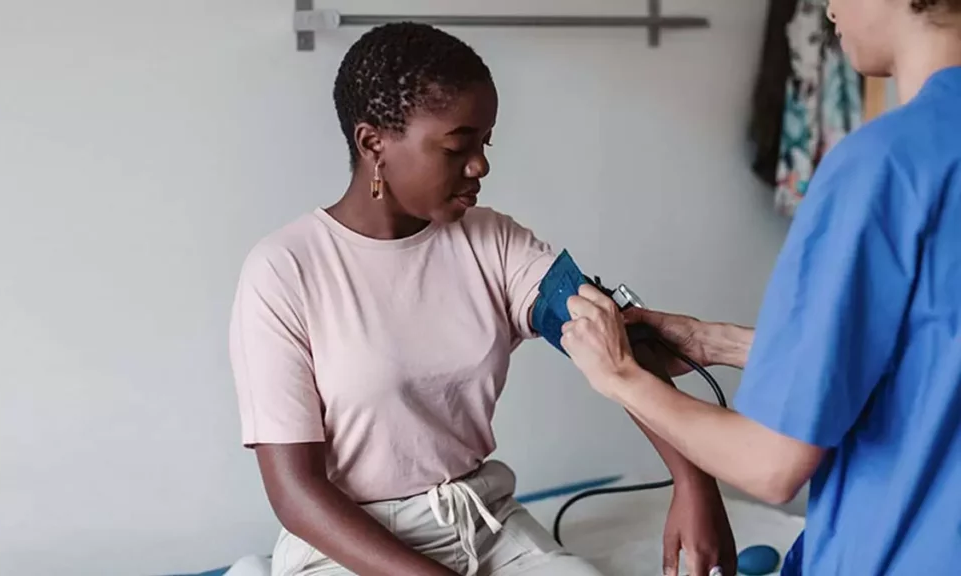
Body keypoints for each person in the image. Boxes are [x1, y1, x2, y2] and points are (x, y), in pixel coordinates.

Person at [228, 21, 737, 576]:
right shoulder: (284, 270)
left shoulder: (492, 240)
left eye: (484, 142)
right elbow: (296, 494)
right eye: (457, 146)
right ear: (373, 143)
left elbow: (614, 344)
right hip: (348, 546)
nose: (480, 166)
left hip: (482, 523)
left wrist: (694, 483)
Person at [559, 1, 961, 574]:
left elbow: (771, 465)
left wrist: (619, 376)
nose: (827, 6)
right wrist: (715, 342)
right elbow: (927, 358)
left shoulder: (883, 166)